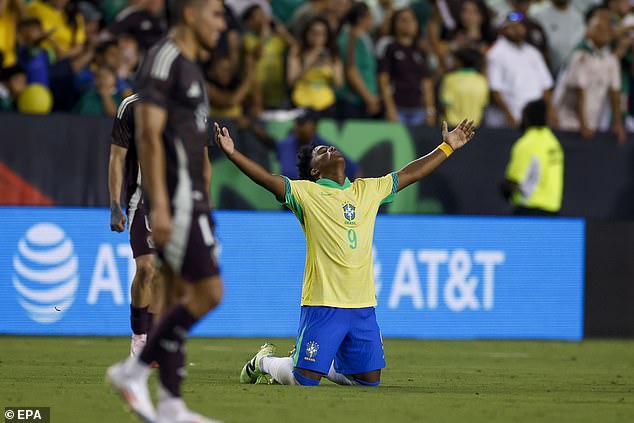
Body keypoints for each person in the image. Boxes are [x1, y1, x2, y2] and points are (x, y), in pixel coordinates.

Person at [215, 118, 475, 387]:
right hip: (323, 303)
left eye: (329, 147)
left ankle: (320, 365)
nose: (330, 149)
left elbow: (412, 173)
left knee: (368, 382)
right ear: (314, 171)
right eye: (321, 152)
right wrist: (233, 154)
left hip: (362, 304)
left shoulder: (368, 190)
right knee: (303, 380)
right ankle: (263, 362)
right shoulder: (306, 193)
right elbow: (266, 179)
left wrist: (447, 147)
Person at [106, 0, 225, 421]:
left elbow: (196, 148)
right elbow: (151, 138)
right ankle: (135, 368)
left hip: (192, 198)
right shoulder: (164, 58)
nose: (223, 23)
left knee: (176, 295)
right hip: (170, 199)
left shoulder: (191, 67)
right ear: (191, 13)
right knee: (207, 292)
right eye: (216, 14)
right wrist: (158, 205)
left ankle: (172, 403)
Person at [108, 93, 161, 360]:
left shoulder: (188, 105)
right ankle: (140, 340)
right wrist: (115, 205)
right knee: (146, 268)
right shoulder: (131, 107)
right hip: (141, 200)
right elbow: (117, 157)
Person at [553, 13, 626, 144]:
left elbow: (615, 93)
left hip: (592, 124)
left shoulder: (611, 59)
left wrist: (617, 123)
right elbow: (579, 90)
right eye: (597, 28)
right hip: (568, 123)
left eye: (605, 29)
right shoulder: (580, 54)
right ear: (589, 30)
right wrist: (583, 124)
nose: (602, 32)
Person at [485, 12, 555, 128]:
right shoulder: (496, 53)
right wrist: (509, 115)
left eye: (520, 26)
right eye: (512, 26)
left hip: (536, 118)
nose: (517, 30)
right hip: (512, 119)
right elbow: (495, 90)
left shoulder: (533, 53)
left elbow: (546, 85)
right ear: (502, 30)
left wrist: (550, 111)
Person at [500, 99, 564, 216]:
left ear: (527, 117)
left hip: (530, 209)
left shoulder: (527, 143)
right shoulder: (553, 142)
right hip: (553, 209)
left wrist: (504, 190)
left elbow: (514, 181)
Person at [377, 7, 435, 125]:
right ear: (395, 24)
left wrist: (430, 110)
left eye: (411, 20)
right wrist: (390, 108)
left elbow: (426, 82)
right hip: (398, 107)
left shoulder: (420, 50)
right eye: (403, 20)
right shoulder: (389, 48)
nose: (407, 24)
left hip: (418, 109)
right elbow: (383, 79)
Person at [277, 109, 360, 180]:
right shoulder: (285, 145)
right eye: (298, 123)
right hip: (290, 196)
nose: (299, 127)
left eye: (302, 123)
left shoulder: (325, 148)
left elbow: (355, 171)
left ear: (314, 126)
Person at [287, 15, 343, 114]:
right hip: (301, 101)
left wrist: (330, 65)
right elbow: (291, 81)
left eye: (322, 34)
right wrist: (308, 63)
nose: (318, 37)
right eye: (314, 33)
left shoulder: (332, 53)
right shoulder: (297, 51)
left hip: (325, 102)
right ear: (307, 33)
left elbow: (338, 84)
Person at [440, 46, 488, 126]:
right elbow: (483, 106)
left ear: (460, 62)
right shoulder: (482, 80)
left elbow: (445, 105)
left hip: (452, 128)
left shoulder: (449, 79)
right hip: (474, 127)